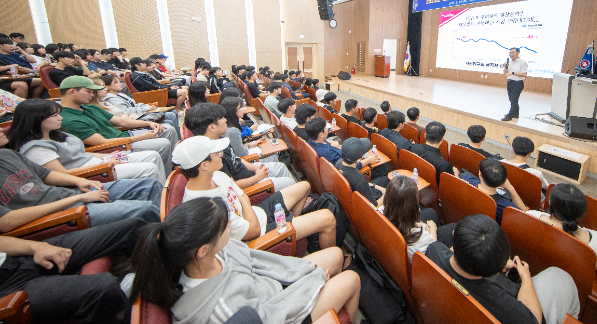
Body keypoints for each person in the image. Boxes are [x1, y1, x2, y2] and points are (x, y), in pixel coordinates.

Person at [129, 198, 360, 323]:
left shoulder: (210, 253)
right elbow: (273, 316)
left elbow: (262, 261)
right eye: (224, 225)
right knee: (352, 279)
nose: (231, 223)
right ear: (203, 250)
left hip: (272, 289)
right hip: (284, 313)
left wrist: (308, 272)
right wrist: (314, 282)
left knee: (336, 255)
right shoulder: (221, 309)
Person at [174, 137, 337, 249]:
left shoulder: (217, 174)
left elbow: (243, 196)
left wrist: (245, 203)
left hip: (257, 212)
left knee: (304, 187)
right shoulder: (204, 208)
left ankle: (292, 224)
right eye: (216, 154)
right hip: (259, 232)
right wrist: (245, 202)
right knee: (328, 219)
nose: (221, 156)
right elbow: (253, 231)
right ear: (203, 165)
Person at [425, 215, 580, 324]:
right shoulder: (501, 303)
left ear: (454, 236)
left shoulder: (433, 250)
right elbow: (534, 319)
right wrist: (525, 277)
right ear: (495, 273)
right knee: (559, 275)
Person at [0, 129, 161, 228]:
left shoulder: (7, 154)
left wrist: (80, 181)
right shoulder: (33, 148)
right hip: (58, 214)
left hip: (68, 195)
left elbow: (46, 175)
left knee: (149, 185)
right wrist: (79, 197)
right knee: (145, 209)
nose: (2, 130)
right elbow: (7, 222)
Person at [0, 218, 146, 324]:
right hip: (8, 291)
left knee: (133, 228)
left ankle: (163, 284)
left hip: (17, 259)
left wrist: (35, 247)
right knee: (105, 288)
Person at [8, 99, 166, 183]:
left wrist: (110, 156)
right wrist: (106, 164)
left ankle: (165, 191)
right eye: (54, 116)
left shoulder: (56, 134)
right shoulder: (35, 149)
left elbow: (82, 154)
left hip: (99, 161)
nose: (60, 118)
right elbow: (62, 175)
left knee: (152, 155)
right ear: (36, 120)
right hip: (93, 172)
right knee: (149, 168)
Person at [59, 76, 177, 176]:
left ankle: (174, 165)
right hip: (115, 145)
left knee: (168, 129)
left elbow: (121, 122)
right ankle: (167, 177)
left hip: (124, 136)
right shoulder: (68, 119)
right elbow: (103, 142)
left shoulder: (90, 107)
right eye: (88, 91)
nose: (92, 95)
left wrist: (149, 123)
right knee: (163, 144)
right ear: (72, 92)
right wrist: (142, 136)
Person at [184, 103, 295, 191]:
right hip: (248, 183)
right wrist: (257, 177)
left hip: (249, 172)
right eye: (222, 118)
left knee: (280, 167)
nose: (225, 120)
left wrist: (255, 168)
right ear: (212, 127)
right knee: (290, 183)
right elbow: (231, 185)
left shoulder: (220, 139)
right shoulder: (211, 156)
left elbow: (236, 158)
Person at [526, 183, 597, 277]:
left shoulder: (529, 216)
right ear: (582, 212)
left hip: (535, 272)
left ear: (550, 202)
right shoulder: (596, 243)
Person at [384, 175, 456, 259]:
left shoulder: (382, 210)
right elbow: (434, 249)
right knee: (453, 227)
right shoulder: (421, 239)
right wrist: (433, 229)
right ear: (413, 207)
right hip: (422, 253)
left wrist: (417, 225)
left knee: (431, 212)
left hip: (400, 234)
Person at [100, 74, 180, 134]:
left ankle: (179, 139)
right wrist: (146, 108)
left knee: (172, 113)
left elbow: (135, 104)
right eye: (116, 82)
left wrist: (147, 106)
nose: (120, 83)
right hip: (134, 120)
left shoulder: (120, 94)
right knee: (170, 122)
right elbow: (127, 112)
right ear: (107, 86)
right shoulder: (110, 99)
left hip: (140, 114)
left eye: (119, 81)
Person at [463, 158, 527, 224]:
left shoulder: (467, 180)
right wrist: (510, 188)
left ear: (480, 174)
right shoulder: (504, 206)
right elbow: (523, 213)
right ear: (503, 180)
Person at [221, 97, 278, 163]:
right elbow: (241, 154)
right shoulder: (233, 131)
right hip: (245, 161)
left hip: (238, 157)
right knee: (272, 153)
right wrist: (247, 146)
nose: (243, 109)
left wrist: (250, 145)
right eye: (241, 107)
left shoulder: (227, 125)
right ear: (233, 111)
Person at [335, 138, 389, 207]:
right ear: (359, 160)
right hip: (367, 203)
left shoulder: (339, 163)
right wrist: (387, 194)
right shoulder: (359, 179)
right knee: (388, 180)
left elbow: (363, 185)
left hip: (356, 192)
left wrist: (376, 186)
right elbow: (374, 206)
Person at [502, 47, 527, 121]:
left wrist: (513, 73)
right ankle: (516, 114)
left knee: (514, 99)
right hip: (510, 82)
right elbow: (505, 73)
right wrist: (505, 67)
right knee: (511, 99)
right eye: (510, 53)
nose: (511, 54)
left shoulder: (522, 62)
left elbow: (524, 74)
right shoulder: (509, 62)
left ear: (518, 53)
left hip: (518, 83)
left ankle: (510, 115)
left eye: (513, 52)